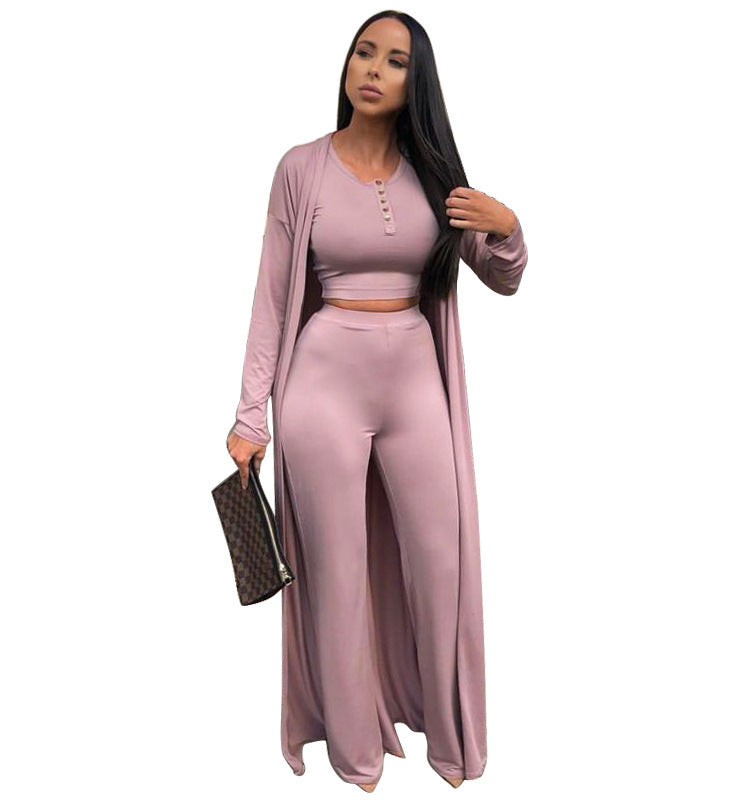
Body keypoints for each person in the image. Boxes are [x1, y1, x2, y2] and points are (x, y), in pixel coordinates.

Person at [226, 10, 528, 792]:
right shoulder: (300, 167)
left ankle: (453, 747)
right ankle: (356, 757)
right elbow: (270, 297)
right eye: (365, 52)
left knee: (440, 559)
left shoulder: (436, 175)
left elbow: (502, 277)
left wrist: (509, 229)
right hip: (322, 384)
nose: (373, 69)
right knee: (335, 574)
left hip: (414, 380)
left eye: (395, 61)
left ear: (414, 82)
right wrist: (250, 415)